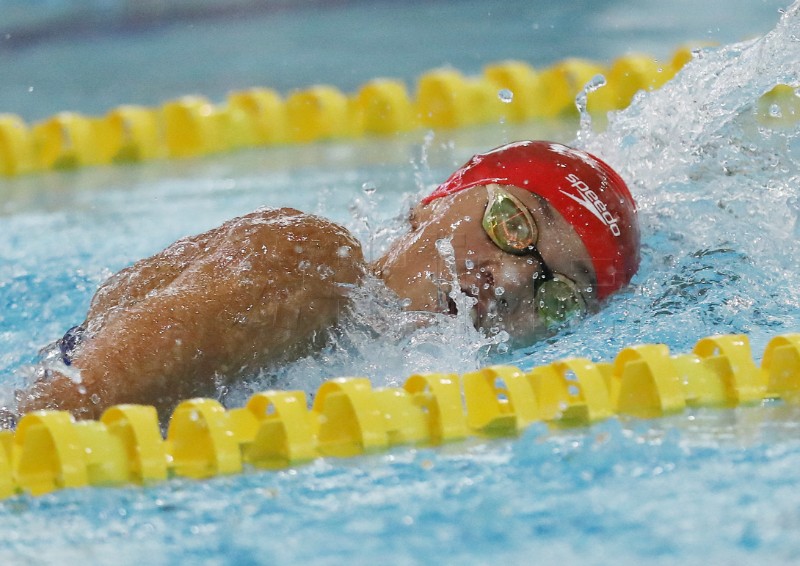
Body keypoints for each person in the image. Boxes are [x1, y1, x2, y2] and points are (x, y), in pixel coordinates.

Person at [15, 140, 640, 422]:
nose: (510, 278)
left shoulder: (393, 378)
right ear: (440, 197)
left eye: (557, 292)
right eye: (513, 224)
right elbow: (46, 419)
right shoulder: (311, 265)